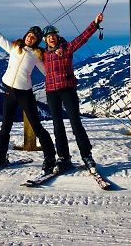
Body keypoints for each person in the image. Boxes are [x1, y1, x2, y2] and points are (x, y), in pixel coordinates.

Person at [0, 14, 56, 175]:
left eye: (34, 38)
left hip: (25, 93)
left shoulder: (37, 56)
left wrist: (62, 80)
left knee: (37, 126)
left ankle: (50, 157)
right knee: (5, 127)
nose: (30, 38)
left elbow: (49, 72)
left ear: (37, 41)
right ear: (26, 35)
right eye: (29, 35)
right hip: (9, 91)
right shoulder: (14, 48)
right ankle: (0, 156)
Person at [42, 13, 104, 172]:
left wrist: (95, 24)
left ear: (57, 36)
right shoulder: (43, 54)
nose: (51, 38)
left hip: (67, 89)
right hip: (51, 92)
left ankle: (86, 155)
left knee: (76, 123)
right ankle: (63, 157)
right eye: (48, 37)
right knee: (57, 126)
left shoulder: (67, 48)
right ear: (45, 40)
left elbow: (82, 38)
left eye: (53, 35)